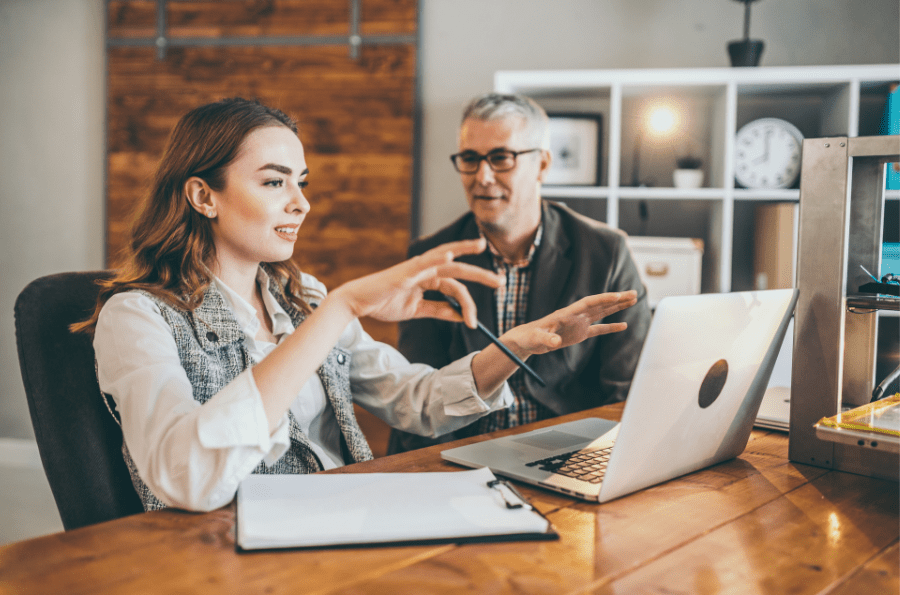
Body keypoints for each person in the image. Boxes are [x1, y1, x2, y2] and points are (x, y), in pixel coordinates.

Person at [73, 97, 638, 513]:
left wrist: (514, 347)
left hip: (343, 521)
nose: (302, 203)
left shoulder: (302, 296)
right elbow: (188, 479)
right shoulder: (137, 317)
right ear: (203, 195)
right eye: (274, 183)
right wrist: (341, 309)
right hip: (221, 554)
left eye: (302, 181)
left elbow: (416, 401)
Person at [388, 93, 652, 454]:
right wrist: (443, 474)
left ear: (542, 165)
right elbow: (417, 393)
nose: (482, 176)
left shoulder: (607, 253)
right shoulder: (430, 257)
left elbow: (627, 392)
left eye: (501, 158)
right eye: (470, 158)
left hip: (569, 451)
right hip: (465, 454)